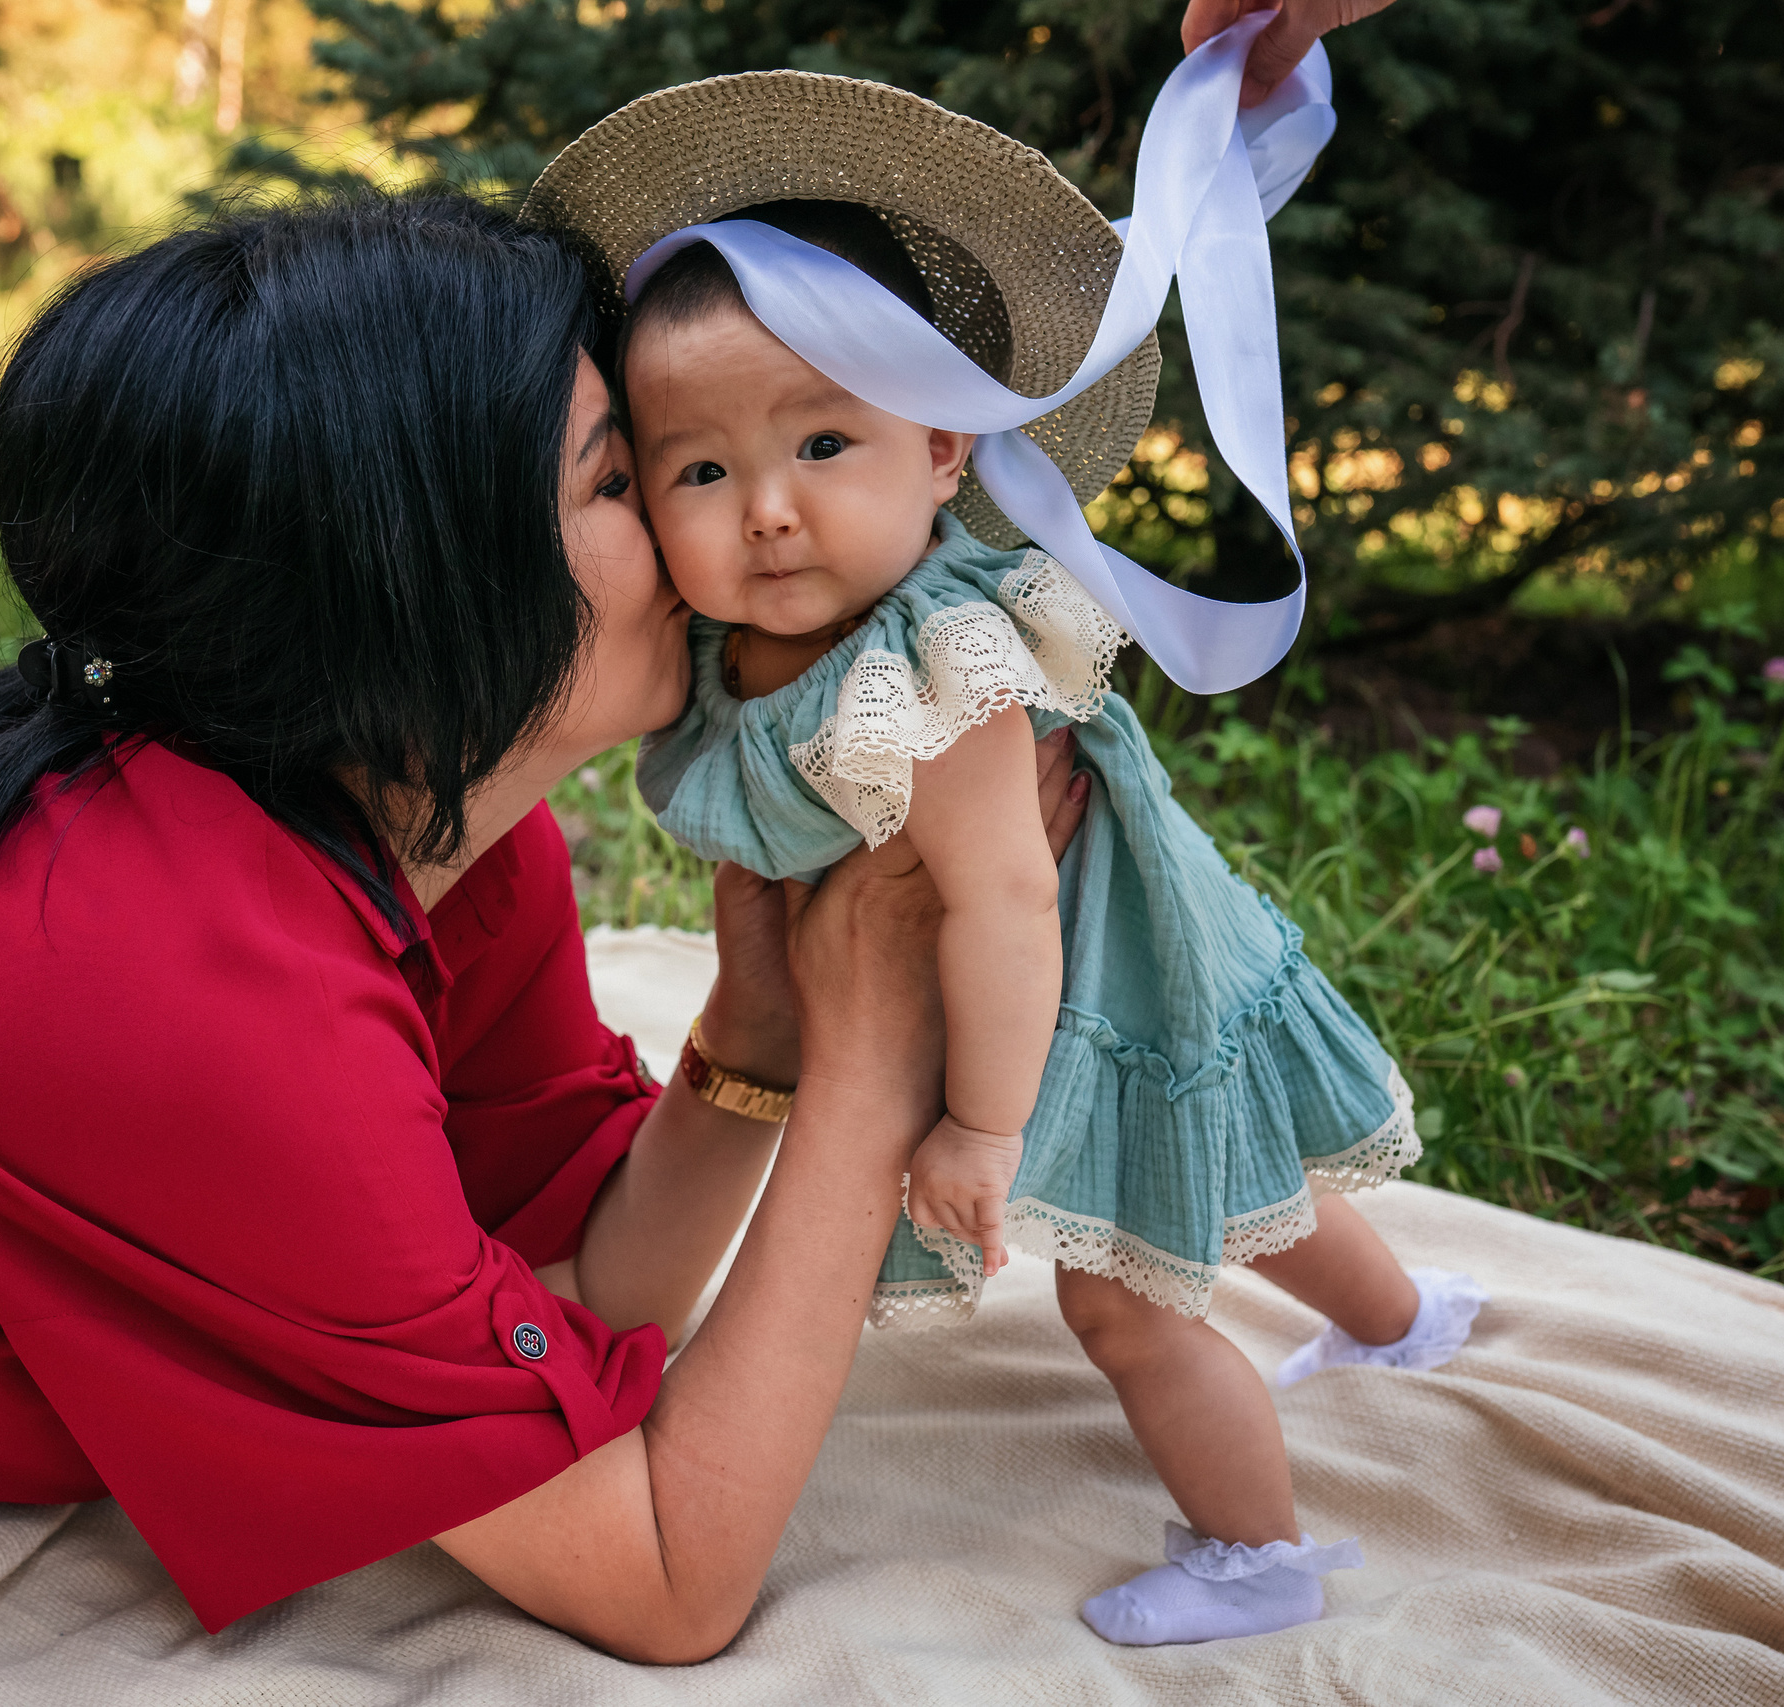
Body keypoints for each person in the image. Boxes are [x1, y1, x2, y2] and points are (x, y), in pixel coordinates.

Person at [0, 192, 1093, 1664]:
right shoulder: (183, 987)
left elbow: (563, 1290)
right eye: (628, 480)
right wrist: (870, 1076)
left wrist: (762, 1046)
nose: (737, 539)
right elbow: (664, 1576)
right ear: (414, 582)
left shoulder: (452, 838)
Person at [520, 9, 1475, 1649]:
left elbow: (1007, 907)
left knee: (1124, 1291)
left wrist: (973, 1132)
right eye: (697, 468)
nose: (768, 506)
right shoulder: (725, 651)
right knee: (1250, 1160)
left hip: (1066, 1000)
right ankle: (1405, 1325)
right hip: (1096, 961)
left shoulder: (939, 666)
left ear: (943, 446)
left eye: (827, 444)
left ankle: (1262, 1553)